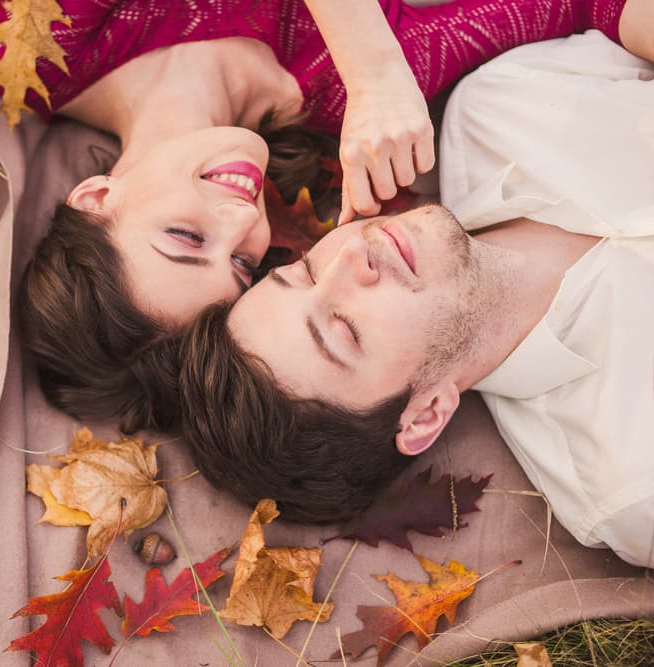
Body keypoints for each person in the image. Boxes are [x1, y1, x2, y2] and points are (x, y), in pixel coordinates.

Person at [0, 0, 631, 431]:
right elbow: (592, 8)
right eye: (243, 265)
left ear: (95, 199)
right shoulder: (350, 98)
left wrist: (373, 69)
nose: (241, 221)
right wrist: (377, 78)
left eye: (186, 238)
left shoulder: (44, 58)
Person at [176, 23, 654, 567]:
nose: (351, 258)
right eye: (344, 328)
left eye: (307, 271)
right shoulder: (632, 483)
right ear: (424, 414)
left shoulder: (497, 110)